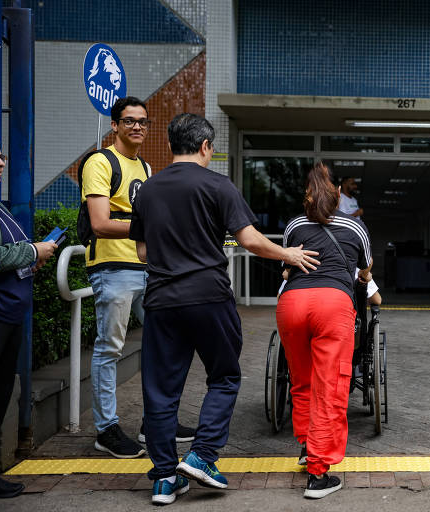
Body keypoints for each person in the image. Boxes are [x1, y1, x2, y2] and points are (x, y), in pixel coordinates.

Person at [130, 113, 319, 505]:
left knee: (161, 391)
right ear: (205, 147)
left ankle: (165, 478)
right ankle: (202, 455)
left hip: (162, 301)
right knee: (224, 376)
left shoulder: (147, 190)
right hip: (209, 297)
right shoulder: (218, 185)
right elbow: (249, 240)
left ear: (169, 146)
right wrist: (289, 253)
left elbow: (143, 251)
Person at [81, 97, 195, 458]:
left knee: (166, 346)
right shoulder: (100, 162)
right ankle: (107, 429)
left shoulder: (146, 168)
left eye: (143, 122)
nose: (137, 127)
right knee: (109, 349)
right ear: (114, 125)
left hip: (147, 270)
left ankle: (156, 422)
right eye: (129, 121)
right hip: (112, 269)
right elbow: (99, 223)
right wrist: (149, 227)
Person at [277, 162, 372, 499]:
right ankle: (318, 473)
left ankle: (306, 446)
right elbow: (365, 268)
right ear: (337, 196)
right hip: (332, 306)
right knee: (330, 386)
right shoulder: (354, 227)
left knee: (301, 381)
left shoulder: (293, 226)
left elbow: (287, 267)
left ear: (306, 197)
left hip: (291, 305)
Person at [0, 138, 57, 498]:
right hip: (0, 317)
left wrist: (29, 256)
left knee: (0, 394)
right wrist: (33, 250)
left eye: (1, 154)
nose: (0, 162)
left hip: (9, 317)